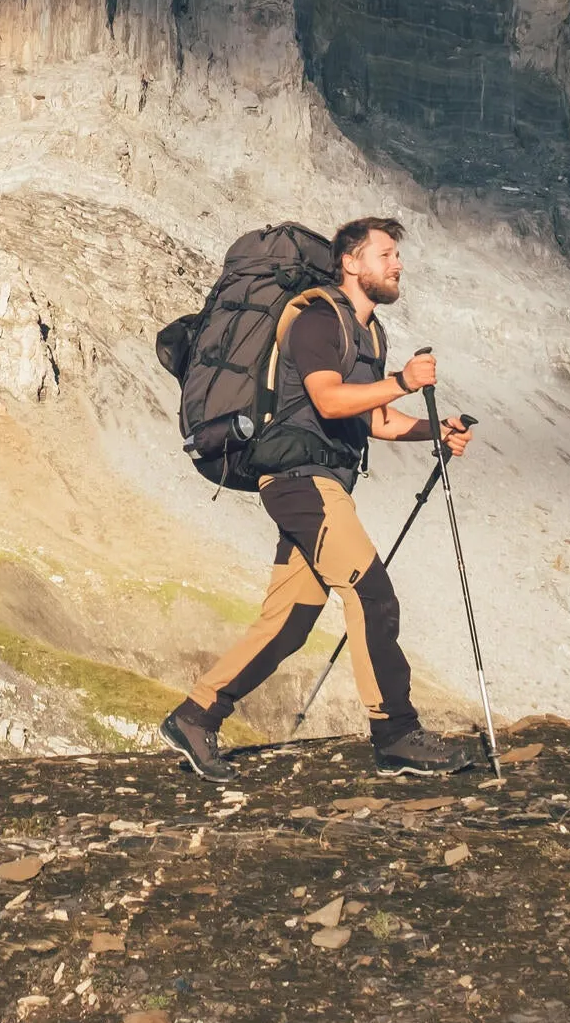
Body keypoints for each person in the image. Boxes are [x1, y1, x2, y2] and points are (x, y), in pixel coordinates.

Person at [161, 215, 478, 778]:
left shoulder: (370, 332)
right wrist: (405, 381)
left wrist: (437, 428)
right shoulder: (314, 319)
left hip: (324, 480)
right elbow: (330, 402)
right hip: (297, 479)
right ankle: (397, 736)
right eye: (386, 255)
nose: (397, 264)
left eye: (397, 256)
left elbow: (374, 417)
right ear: (351, 263)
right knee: (372, 593)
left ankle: (196, 716)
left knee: (289, 622)